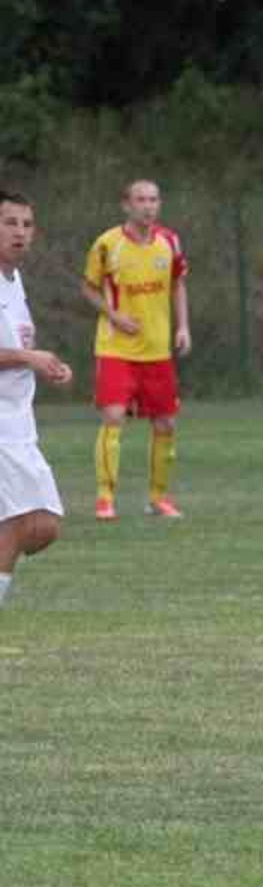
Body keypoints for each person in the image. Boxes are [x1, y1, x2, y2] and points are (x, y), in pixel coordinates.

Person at [81, 179, 191, 520]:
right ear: (125, 204)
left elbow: (177, 285)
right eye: (140, 199)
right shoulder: (107, 244)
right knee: (114, 416)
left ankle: (157, 499)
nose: (148, 206)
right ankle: (104, 498)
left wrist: (183, 326)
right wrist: (113, 315)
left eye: (154, 199)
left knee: (166, 424)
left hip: (157, 350)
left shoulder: (169, 242)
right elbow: (87, 287)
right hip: (116, 348)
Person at [0, 190, 72, 605]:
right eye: (10, 223)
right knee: (25, 521)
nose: (20, 233)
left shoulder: (14, 279)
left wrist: (43, 365)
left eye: (26, 225)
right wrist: (30, 357)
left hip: (18, 422)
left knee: (41, 525)